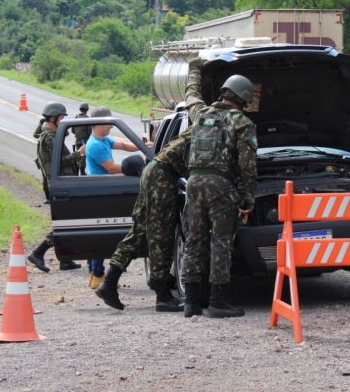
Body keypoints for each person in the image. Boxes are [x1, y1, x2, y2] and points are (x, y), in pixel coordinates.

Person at [180, 59, 257, 318]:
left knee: (194, 240)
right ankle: (218, 302)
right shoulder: (241, 122)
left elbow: (191, 94)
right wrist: (248, 196)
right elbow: (248, 165)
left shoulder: (200, 114)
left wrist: (195, 70)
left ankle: (191, 303)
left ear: (224, 92)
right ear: (244, 99)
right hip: (221, 187)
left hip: (194, 184)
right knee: (221, 242)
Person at [96, 126, 192, 312]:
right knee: (161, 236)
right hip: (162, 177)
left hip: (154, 172)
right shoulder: (209, 131)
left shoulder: (199, 127)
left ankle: (109, 283)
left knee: (139, 232)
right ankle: (162, 296)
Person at [84, 106, 151, 289]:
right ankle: (97, 273)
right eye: (108, 124)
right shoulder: (96, 145)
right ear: (98, 124)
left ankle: (94, 273)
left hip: (102, 189)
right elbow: (112, 168)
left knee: (99, 232)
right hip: (100, 191)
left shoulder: (103, 139)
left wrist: (143, 146)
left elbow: (122, 145)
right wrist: (137, 167)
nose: (110, 127)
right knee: (100, 233)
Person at [27, 101, 84, 273]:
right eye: (60, 117)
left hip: (61, 182)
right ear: (53, 118)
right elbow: (60, 161)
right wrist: (79, 154)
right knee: (65, 222)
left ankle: (65, 259)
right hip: (61, 183)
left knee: (67, 221)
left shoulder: (50, 133)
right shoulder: (50, 136)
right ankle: (38, 252)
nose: (62, 120)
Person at [73, 103, 91, 176]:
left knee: (78, 155)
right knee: (84, 157)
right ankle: (82, 172)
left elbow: (73, 130)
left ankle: (78, 170)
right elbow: (90, 131)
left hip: (77, 141)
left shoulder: (76, 117)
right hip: (85, 141)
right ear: (87, 110)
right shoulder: (88, 119)